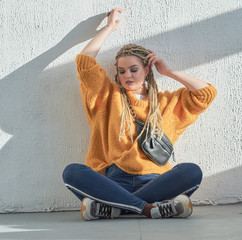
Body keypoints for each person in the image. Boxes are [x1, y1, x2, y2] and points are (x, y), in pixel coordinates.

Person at [62, 8, 217, 220]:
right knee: (72, 173)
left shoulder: (166, 103)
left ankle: (116, 207)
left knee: (192, 171)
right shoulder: (108, 96)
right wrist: (109, 27)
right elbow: (84, 62)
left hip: (156, 181)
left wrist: (169, 71)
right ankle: (148, 209)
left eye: (134, 69)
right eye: (122, 71)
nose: (127, 75)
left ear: (147, 69)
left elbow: (206, 94)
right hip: (114, 180)